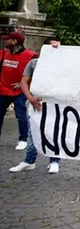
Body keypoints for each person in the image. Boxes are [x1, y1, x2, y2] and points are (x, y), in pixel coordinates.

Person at [10, 37, 62, 174]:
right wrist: (30, 98)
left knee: (53, 132)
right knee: (32, 133)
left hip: (54, 104)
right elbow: (23, 82)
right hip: (35, 103)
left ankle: (54, 161)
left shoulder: (62, 65)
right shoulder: (34, 63)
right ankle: (29, 161)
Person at [0, 32, 36, 150]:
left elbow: (39, 71)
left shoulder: (31, 55)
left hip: (19, 90)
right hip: (3, 89)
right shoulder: (4, 53)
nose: (5, 41)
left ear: (14, 41)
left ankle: (23, 139)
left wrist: (23, 84)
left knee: (21, 115)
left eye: (8, 39)